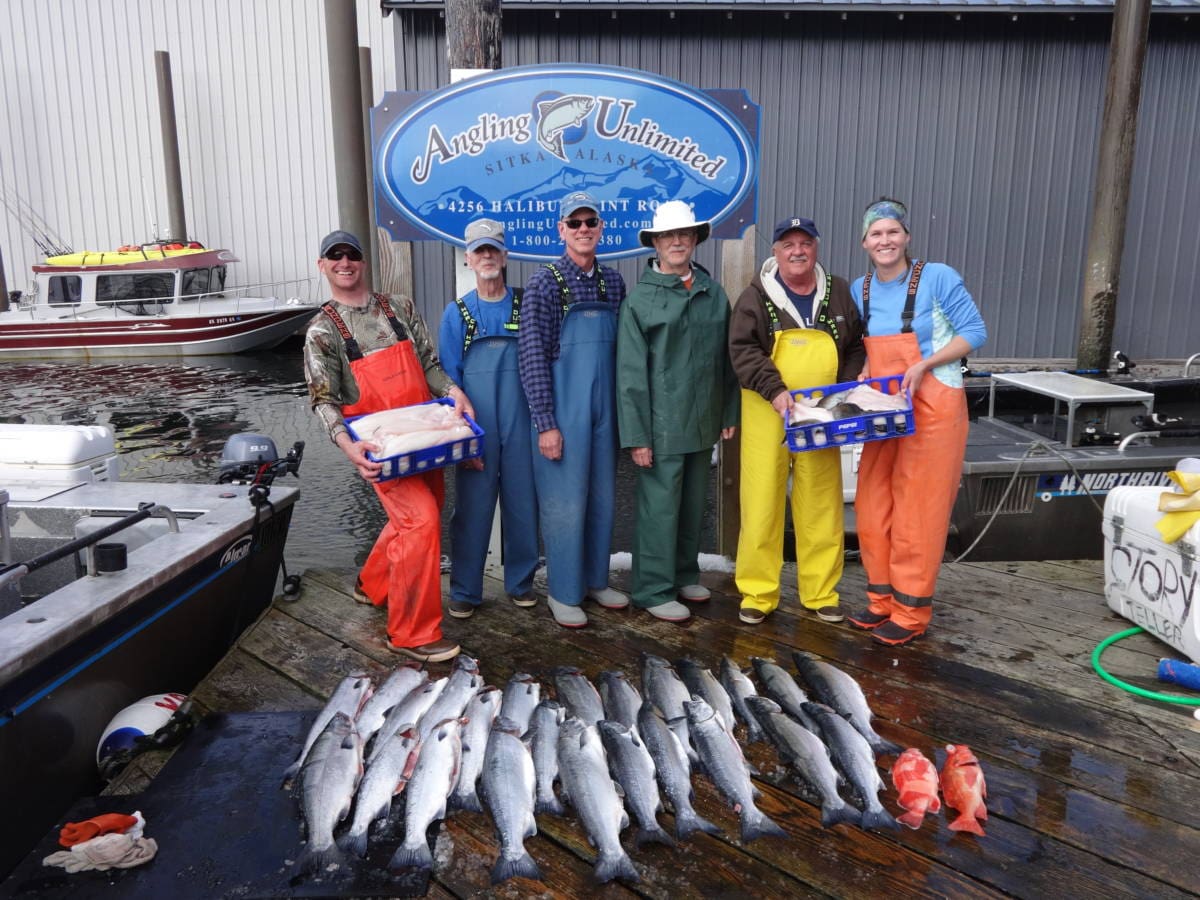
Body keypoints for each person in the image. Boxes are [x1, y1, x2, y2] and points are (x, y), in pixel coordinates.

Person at [303, 229, 472, 662]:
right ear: (322, 265)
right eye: (334, 256)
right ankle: (412, 633)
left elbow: (430, 366)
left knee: (413, 518)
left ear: (364, 262)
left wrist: (454, 392)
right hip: (379, 447)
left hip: (424, 436)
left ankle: (371, 586)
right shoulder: (322, 330)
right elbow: (323, 400)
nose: (345, 262)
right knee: (420, 522)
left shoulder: (400, 307)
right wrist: (346, 445)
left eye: (352, 254)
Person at [848, 198, 987, 645]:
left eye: (892, 232)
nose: (884, 240)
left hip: (934, 403)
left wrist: (925, 365)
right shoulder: (860, 288)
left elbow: (974, 332)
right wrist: (867, 371)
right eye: (875, 234)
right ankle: (881, 601)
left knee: (918, 510)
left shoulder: (937, 277)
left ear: (906, 237)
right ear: (864, 242)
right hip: (885, 407)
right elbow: (870, 346)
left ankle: (910, 612)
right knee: (873, 504)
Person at [729, 216, 865, 626]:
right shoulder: (754, 297)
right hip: (768, 411)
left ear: (816, 247)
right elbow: (742, 351)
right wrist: (775, 390)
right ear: (775, 251)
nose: (797, 251)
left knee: (822, 504)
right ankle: (757, 591)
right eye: (788, 244)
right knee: (761, 504)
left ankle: (821, 592)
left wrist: (841, 392)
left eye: (804, 243)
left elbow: (856, 345)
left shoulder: (838, 292)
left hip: (822, 415)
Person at [616, 201, 740, 623]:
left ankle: (684, 573)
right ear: (654, 242)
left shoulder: (712, 292)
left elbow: (727, 358)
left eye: (684, 234)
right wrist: (637, 436)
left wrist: (727, 409)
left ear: (695, 239)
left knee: (691, 505)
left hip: (703, 419)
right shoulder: (641, 301)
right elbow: (630, 375)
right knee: (660, 508)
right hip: (661, 425)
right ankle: (652, 587)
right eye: (668, 235)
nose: (676, 242)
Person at [518, 190, 628, 628]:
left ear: (601, 228)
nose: (584, 230)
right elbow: (531, 356)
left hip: (605, 412)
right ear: (561, 230)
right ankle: (564, 591)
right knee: (564, 504)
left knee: (603, 497)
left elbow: (624, 352)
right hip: (563, 412)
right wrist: (545, 422)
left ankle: (596, 580)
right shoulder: (545, 283)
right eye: (575, 223)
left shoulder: (613, 282)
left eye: (590, 222)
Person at [437, 218, 538, 618]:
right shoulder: (456, 313)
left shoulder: (526, 302)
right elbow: (448, 382)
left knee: (522, 506)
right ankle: (465, 590)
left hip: (522, 425)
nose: (487, 257)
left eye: (493, 249)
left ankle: (521, 583)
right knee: (473, 511)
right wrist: (462, 441)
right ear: (469, 258)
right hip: (477, 431)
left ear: (505, 255)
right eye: (480, 251)